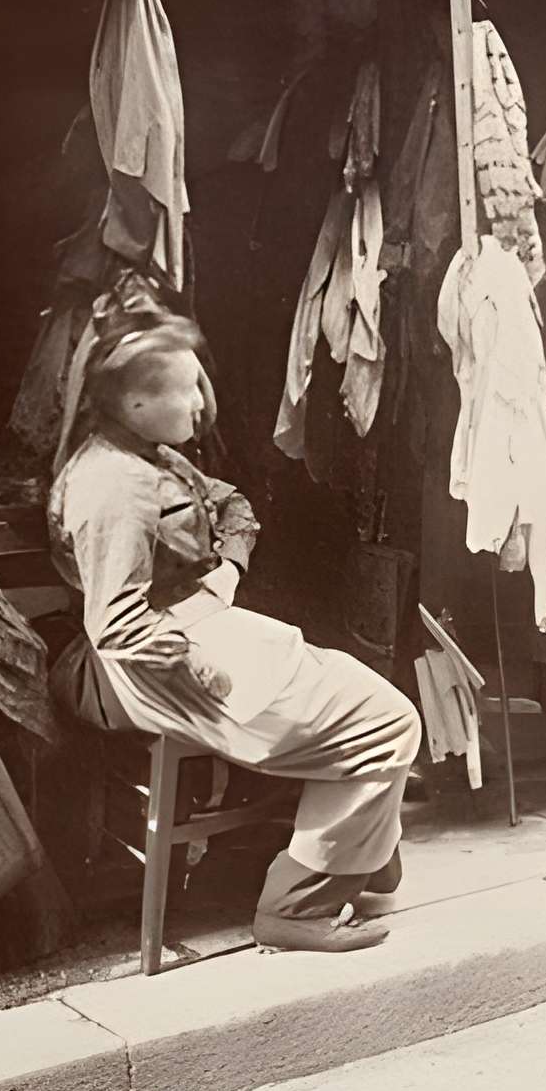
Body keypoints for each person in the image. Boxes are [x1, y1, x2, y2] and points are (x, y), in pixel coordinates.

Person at [49, 309, 421, 954]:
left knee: (361, 699)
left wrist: (225, 574)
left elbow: (229, 505)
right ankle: (298, 903)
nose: (202, 405)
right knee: (385, 722)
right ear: (135, 399)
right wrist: (209, 672)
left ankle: (356, 855)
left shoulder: (150, 458)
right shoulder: (113, 483)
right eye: (186, 389)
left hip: (190, 627)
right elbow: (117, 626)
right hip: (151, 664)